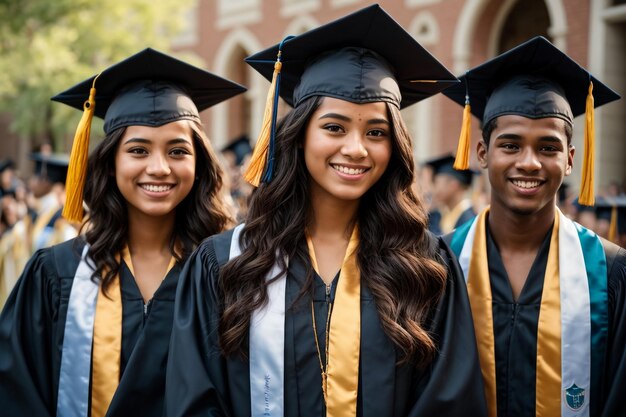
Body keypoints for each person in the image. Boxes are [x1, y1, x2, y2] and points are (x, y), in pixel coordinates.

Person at [165, 5, 487, 417]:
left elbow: (450, 404)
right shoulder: (227, 262)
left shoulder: (423, 265)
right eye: (334, 128)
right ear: (298, 136)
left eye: (376, 132)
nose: (356, 148)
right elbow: (195, 401)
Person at [0, 48, 245, 417]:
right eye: (138, 150)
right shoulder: (57, 276)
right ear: (111, 161)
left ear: (200, 163)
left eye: (178, 151)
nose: (159, 167)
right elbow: (17, 395)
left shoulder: (229, 273)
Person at [443, 36, 625, 417]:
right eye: (510, 145)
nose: (529, 162)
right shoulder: (438, 264)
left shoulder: (611, 272)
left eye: (548, 147)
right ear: (482, 153)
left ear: (570, 159)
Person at [425, 153, 477, 235]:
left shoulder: (468, 220)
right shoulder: (445, 214)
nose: (434, 190)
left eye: (437, 183)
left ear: (453, 185)